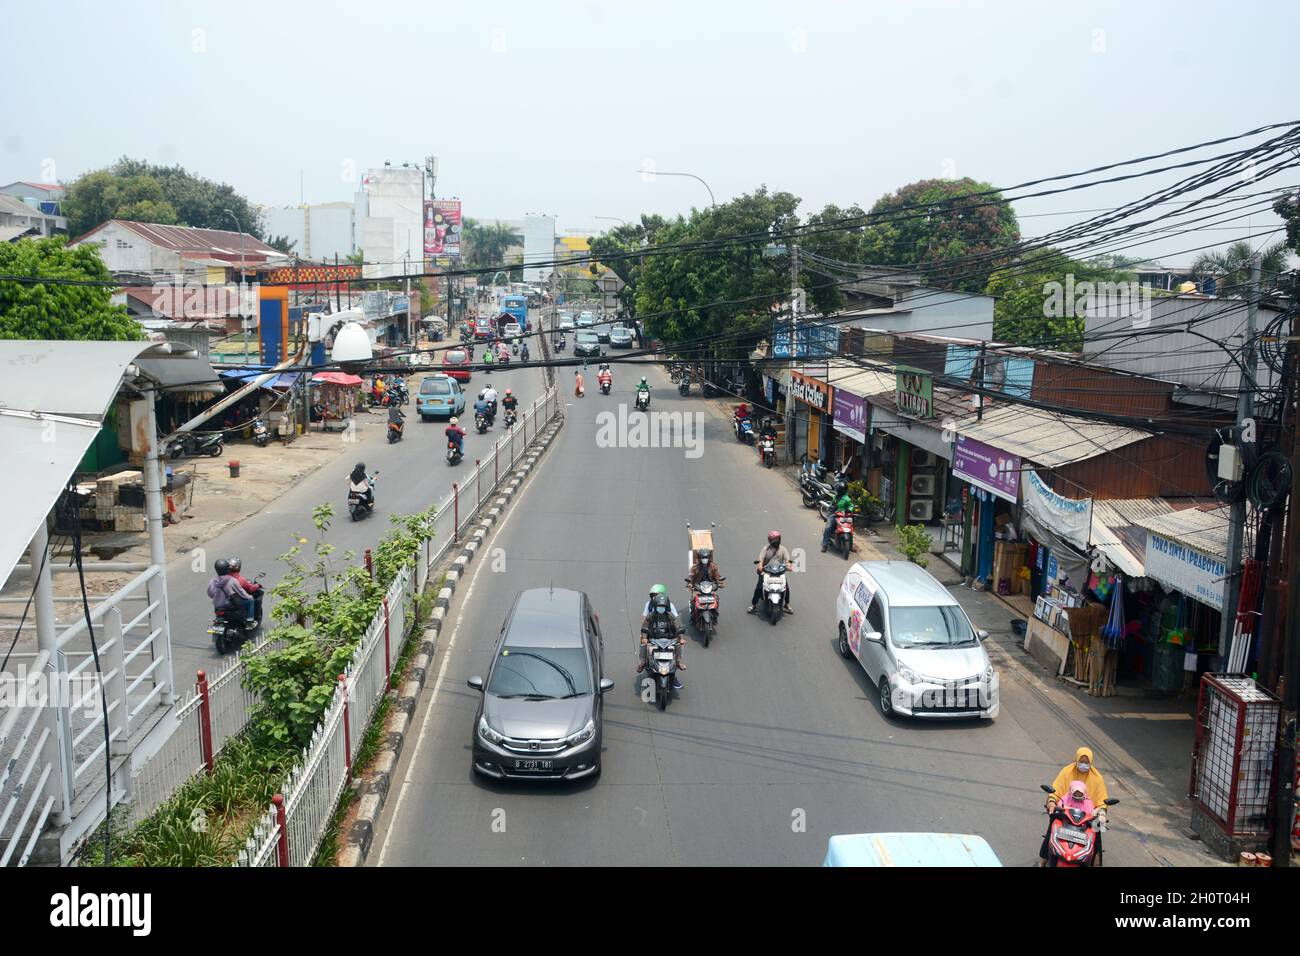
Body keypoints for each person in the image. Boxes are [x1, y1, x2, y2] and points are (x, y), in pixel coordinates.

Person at [1039, 746, 1110, 866]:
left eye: (1086, 762)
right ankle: (1043, 862)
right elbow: (1056, 790)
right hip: (1065, 812)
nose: (1083, 764)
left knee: (1098, 835)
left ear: (1090, 763)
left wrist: (1101, 813)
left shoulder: (1097, 778)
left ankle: (1096, 863)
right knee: (1051, 830)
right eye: (1081, 762)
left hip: (1088, 815)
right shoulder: (1067, 771)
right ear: (1076, 760)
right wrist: (1051, 802)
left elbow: (1102, 801)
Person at [636, 585, 685, 689]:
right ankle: (643, 662)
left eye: (657, 595)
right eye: (653, 595)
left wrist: (681, 638)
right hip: (653, 636)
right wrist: (644, 635)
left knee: (678, 645)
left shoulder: (670, 613)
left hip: (668, 638)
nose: (655, 598)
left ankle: (678, 663)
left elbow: (677, 623)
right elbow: (645, 622)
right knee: (643, 643)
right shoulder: (651, 612)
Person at [749, 531, 793, 614]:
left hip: (779, 572)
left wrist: (789, 565)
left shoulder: (783, 549)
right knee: (759, 587)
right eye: (773, 540)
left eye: (777, 539)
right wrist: (760, 565)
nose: (775, 541)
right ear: (769, 540)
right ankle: (753, 605)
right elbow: (760, 559)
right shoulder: (765, 549)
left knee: (786, 588)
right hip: (766, 572)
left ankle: (786, 604)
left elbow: (788, 560)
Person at [207, 558, 255, 624]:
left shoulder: (212, 581)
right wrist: (249, 597)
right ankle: (250, 621)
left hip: (218, 607)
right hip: (231, 606)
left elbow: (210, 594)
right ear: (227, 568)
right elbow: (241, 593)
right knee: (251, 601)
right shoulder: (232, 580)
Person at [226, 556, 263, 622]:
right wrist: (257, 585)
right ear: (238, 567)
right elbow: (251, 589)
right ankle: (250, 620)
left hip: (224, 602)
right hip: (235, 602)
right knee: (251, 600)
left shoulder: (221, 578)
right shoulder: (240, 579)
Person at [822, 481, 855, 552]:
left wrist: (849, 509)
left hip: (844, 517)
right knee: (828, 528)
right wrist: (830, 510)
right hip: (834, 515)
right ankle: (825, 545)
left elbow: (851, 505)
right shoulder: (835, 497)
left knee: (850, 529)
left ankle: (851, 546)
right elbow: (831, 505)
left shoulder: (846, 498)